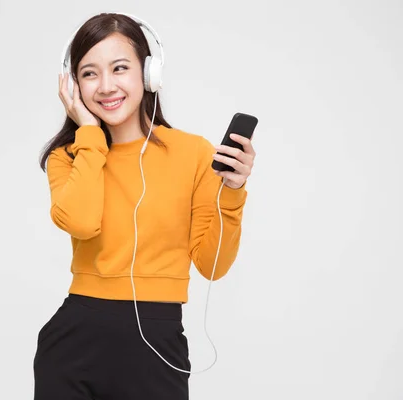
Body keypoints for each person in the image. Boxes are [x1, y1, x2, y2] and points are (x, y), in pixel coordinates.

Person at [33, 12, 256, 400]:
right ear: (73, 86)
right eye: (89, 73)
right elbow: (83, 223)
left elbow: (212, 265)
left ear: (148, 74)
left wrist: (232, 192)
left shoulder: (193, 153)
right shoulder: (69, 156)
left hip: (157, 339)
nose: (105, 86)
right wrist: (88, 132)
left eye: (120, 68)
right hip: (73, 340)